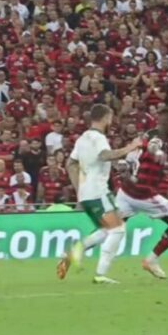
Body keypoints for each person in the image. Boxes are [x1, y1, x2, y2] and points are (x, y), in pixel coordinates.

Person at [59, 104, 142, 284]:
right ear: (105, 118)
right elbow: (104, 155)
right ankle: (100, 274)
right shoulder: (98, 138)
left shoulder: (82, 139)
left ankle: (72, 254)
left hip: (87, 194)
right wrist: (130, 147)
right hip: (98, 192)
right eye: (110, 117)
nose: (111, 121)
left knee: (106, 230)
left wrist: (78, 187)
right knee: (118, 229)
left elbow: (70, 164)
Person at [116, 108, 168, 279]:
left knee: (109, 227)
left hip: (127, 191)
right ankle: (151, 259)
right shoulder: (158, 136)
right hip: (143, 194)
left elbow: (147, 160)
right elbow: (153, 147)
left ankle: (74, 252)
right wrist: (157, 152)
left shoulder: (149, 135)